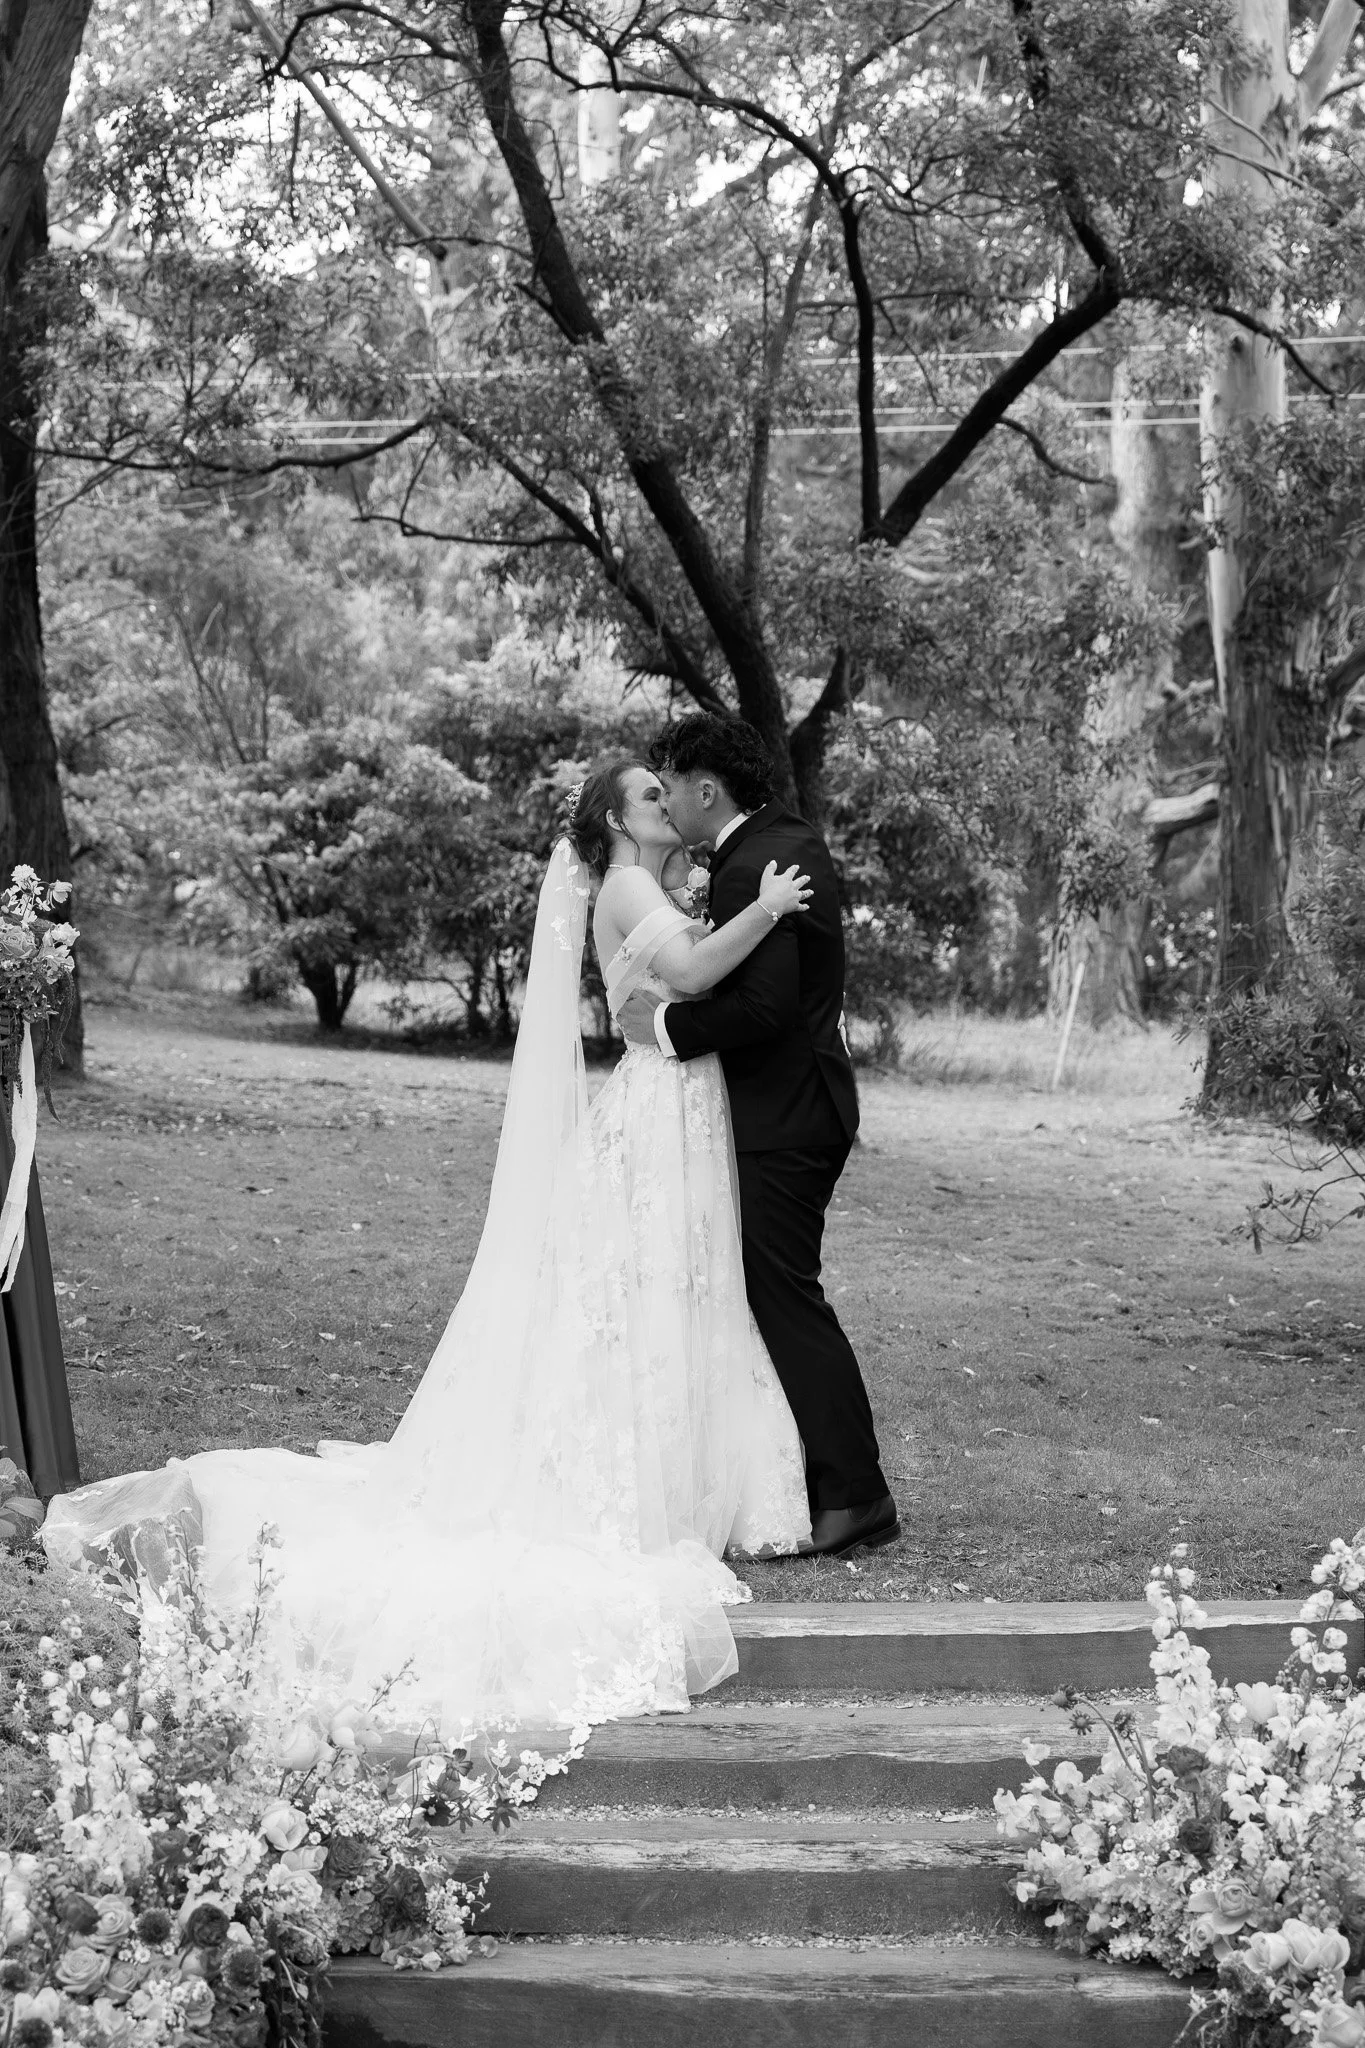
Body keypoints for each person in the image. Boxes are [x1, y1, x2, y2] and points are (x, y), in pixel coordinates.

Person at [44, 757, 812, 1733]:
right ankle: (635, 1480)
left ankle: (683, 1472)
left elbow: (672, 986)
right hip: (656, 1113)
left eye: (670, 786)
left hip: (671, 1100)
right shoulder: (625, 881)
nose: (669, 801)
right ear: (615, 820)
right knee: (642, 1292)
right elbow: (698, 972)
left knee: (661, 1292)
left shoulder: (644, 886)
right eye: (650, 793)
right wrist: (766, 909)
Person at [616, 713, 897, 1558]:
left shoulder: (753, 865)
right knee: (776, 1293)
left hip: (787, 1115)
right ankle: (825, 1480)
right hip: (798, 1106)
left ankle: (856, 1495)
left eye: (671, 786)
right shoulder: (779, 842)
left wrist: (660, 1027)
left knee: (783, 1297)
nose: (667, 801)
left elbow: (763, 1008)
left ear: (708, 790)